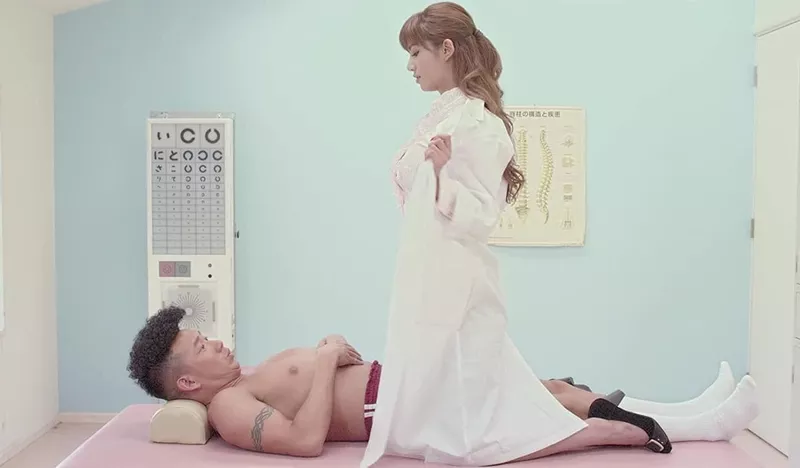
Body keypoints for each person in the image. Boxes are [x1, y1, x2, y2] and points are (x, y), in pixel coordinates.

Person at [358, 2, 760, 466]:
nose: (409, 65)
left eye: (415, 52)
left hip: (458, 288)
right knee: (529, 400)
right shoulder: (444, 117)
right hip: (439, 282)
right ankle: (698, 418)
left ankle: (700, 421)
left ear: (446, 49)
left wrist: (439, 178)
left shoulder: (476, 122)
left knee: (515, 412)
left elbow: (481, 216)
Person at [127, 307, 758, 463]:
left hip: (400, 384)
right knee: (545, 398)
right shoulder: (231, 406)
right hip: (399, 406)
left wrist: (332, 352)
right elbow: (304, 440)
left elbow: (315, 389)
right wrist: (323, 361)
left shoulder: (242, 381)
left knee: (547, 386)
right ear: (188, 380)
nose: (217, 343)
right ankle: (700, 425)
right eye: (201, 347)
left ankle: (690, 411)